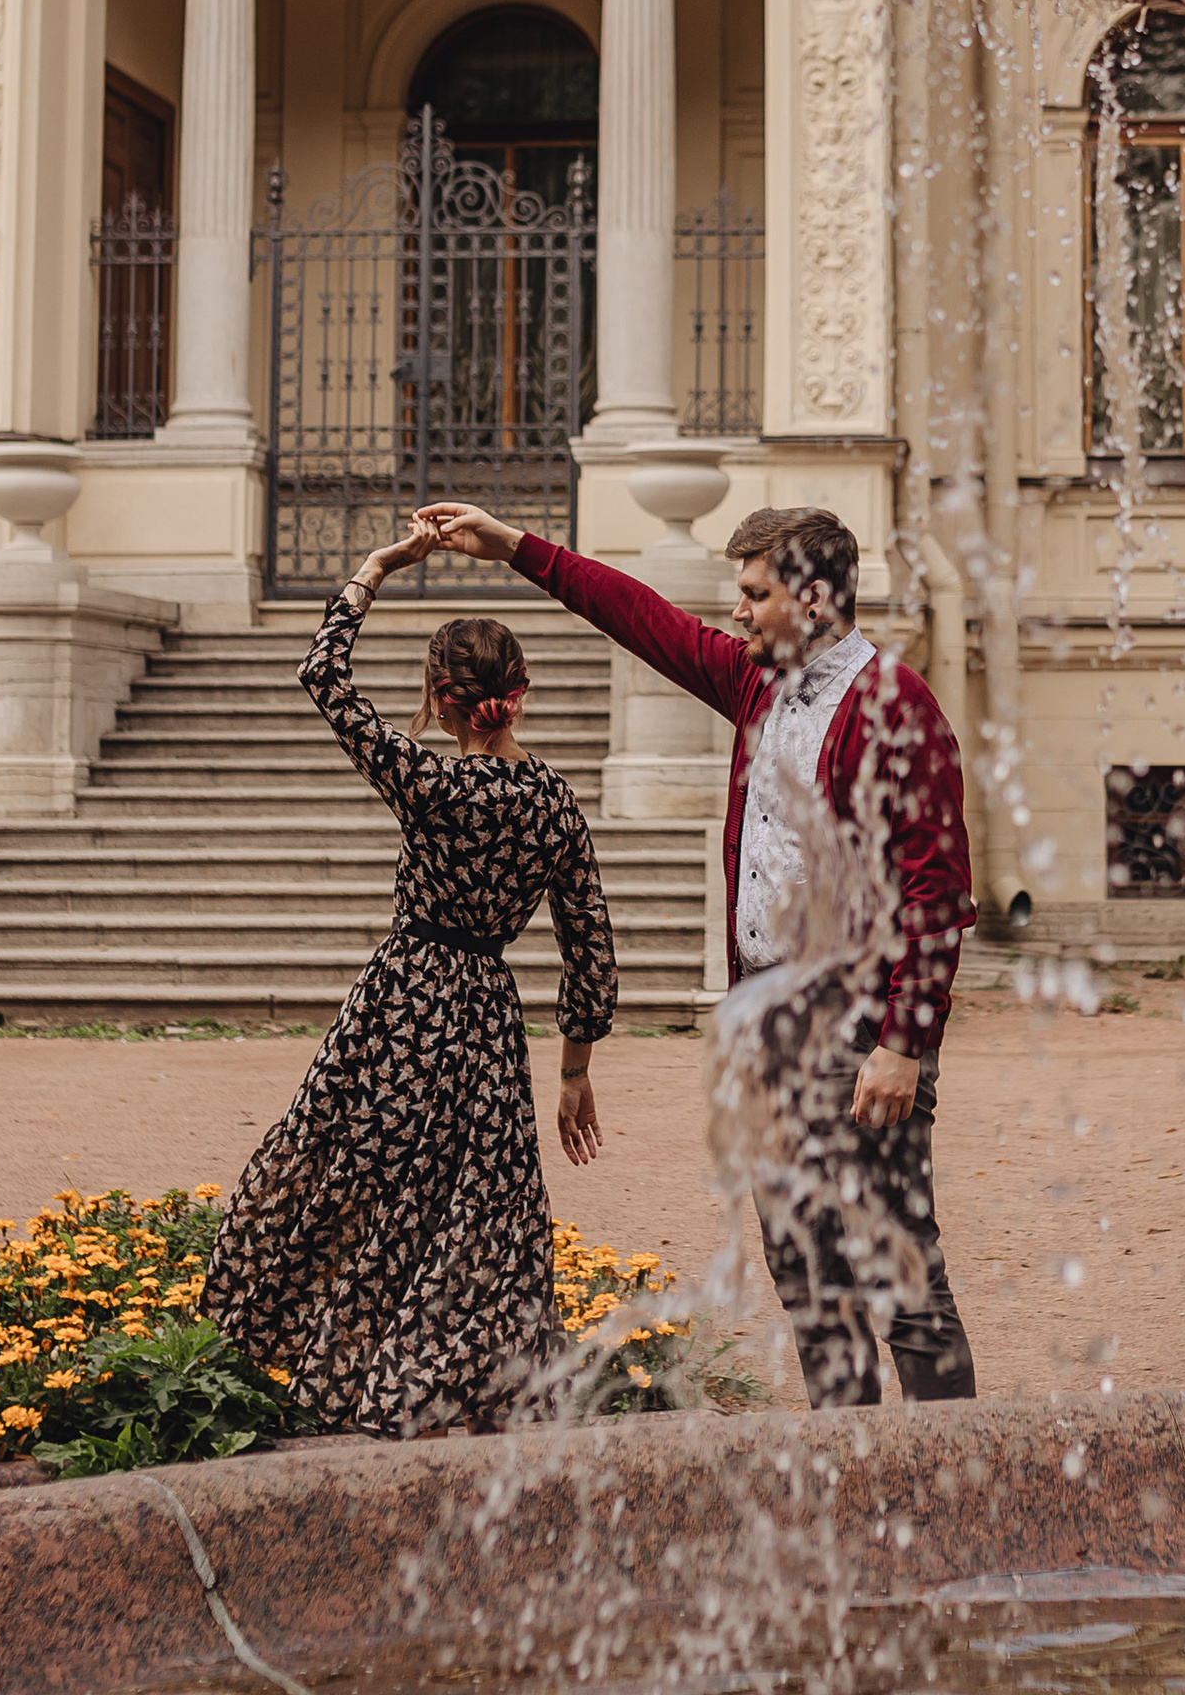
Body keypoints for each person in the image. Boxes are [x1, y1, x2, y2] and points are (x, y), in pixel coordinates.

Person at [418, 495, 978, 1409]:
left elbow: (935, 893)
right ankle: (853, 1481)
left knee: (900, 1275)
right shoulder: (757, 683)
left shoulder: (893, 705)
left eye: (754, 593)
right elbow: (644, 619)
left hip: (855, 1032)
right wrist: (513, 547)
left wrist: (903, 1046)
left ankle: (957, 1493)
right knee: (806, 1274)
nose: (736, 610)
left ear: (815, 598)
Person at [203, 518, 618, 1435]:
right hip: (486, 1015)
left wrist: (379, 568)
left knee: (358, 1175)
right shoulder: (553, 801)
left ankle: (334, 1364)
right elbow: (588, 938)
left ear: (439, 699)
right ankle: (464, 1378)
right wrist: (576, 1068)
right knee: (479, 1203)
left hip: (402, 1002)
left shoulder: (427, 784)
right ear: (521, 696)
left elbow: (322, 678)